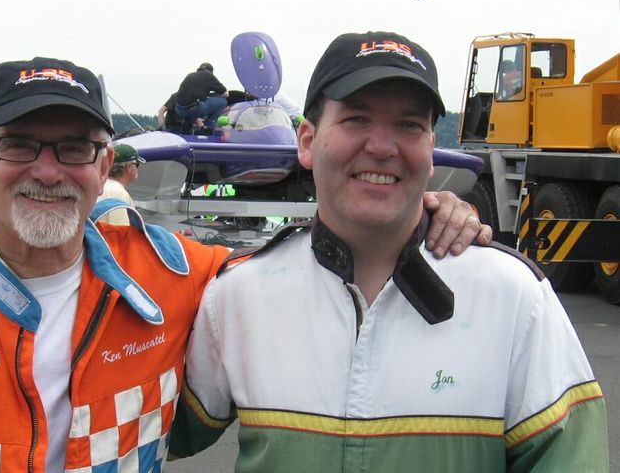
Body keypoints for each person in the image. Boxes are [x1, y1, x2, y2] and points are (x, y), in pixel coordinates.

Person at [0, 56, 487, 472]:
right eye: (20, 145)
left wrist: (413, 211)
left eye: (76, 148)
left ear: (104, 166)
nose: (49, 170)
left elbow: (301, 268)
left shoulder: (178, 276)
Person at [171, 32, 608, 471]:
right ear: (307, 140)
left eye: (409, 125)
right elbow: (143, 434)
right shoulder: (239, 295)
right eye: (357, 119)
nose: (382, 147)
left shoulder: (514, 297)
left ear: (431, 150)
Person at [97, 144, 145, 225]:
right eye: (137, 164)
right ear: (129, 167)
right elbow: (120, 231)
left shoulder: (99, 187)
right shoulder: (120, 194)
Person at [174, 62, 228, 131]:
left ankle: (187, 124)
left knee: (197, 103)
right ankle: (209, 127)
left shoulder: (190, 75)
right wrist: (214, 94)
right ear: (210, 72)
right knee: (223, 101)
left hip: (179, 110)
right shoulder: (209, 75)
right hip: (193, 110)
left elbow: (192, 94)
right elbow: (226, 94)